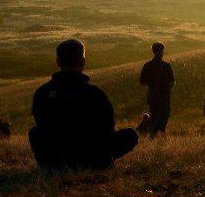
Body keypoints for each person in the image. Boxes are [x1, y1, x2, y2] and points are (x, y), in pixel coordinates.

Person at [29, 39, 138, 169]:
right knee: (131, 135)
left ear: (58, 62)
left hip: (57, 157)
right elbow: (108, 130)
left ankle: (50, 164)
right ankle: (102, 162)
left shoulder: (42, 93)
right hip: (93, 158)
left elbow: (41, 123)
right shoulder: (96, 94)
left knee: (35, 132)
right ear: (83, 62)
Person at [139, 42, 174, 138]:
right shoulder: (166, 66)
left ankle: (155, 135)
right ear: (162, 52)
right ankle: (157, 134)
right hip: (164, 95)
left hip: (152, 95)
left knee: (154, 116)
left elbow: (142, 82)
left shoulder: (147, 65)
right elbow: (172, 82)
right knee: (164, 115)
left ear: (153, 52)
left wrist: (151, 83)